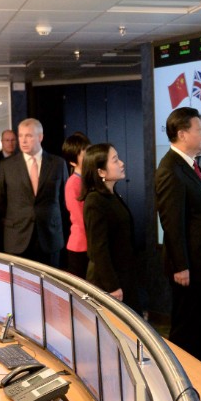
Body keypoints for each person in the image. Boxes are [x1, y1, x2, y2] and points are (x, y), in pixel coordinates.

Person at [154, 107, 201, 369]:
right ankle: (186, 377)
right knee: (188, 324)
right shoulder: (170, 170)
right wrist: (181, 265)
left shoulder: (191, 165)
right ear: (183, 134)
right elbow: (172, 223)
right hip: (191, 266)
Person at [0, 118, 65, 267]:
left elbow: (63, 198)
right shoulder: (7, 165)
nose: (23, 140)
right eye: (21, 136)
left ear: (40, 137)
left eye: (29, 136)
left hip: (49, 235)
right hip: (17, 236)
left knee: (50, 286)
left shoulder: (57, 163)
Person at [82, 143, 137, 309]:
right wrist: (112, 286)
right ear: (101, 172)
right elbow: (99, 249)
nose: (121, 163)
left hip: (122, 275)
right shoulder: (95, 200)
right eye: (115, 160)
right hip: (107, 282)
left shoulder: (111, 195)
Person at [62, 132, 91, 278]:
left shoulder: (88, 179)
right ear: (73, 161)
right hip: (81, 246)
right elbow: (80, 219)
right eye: (84, 153)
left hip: (90, 244)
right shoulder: (73, 183)